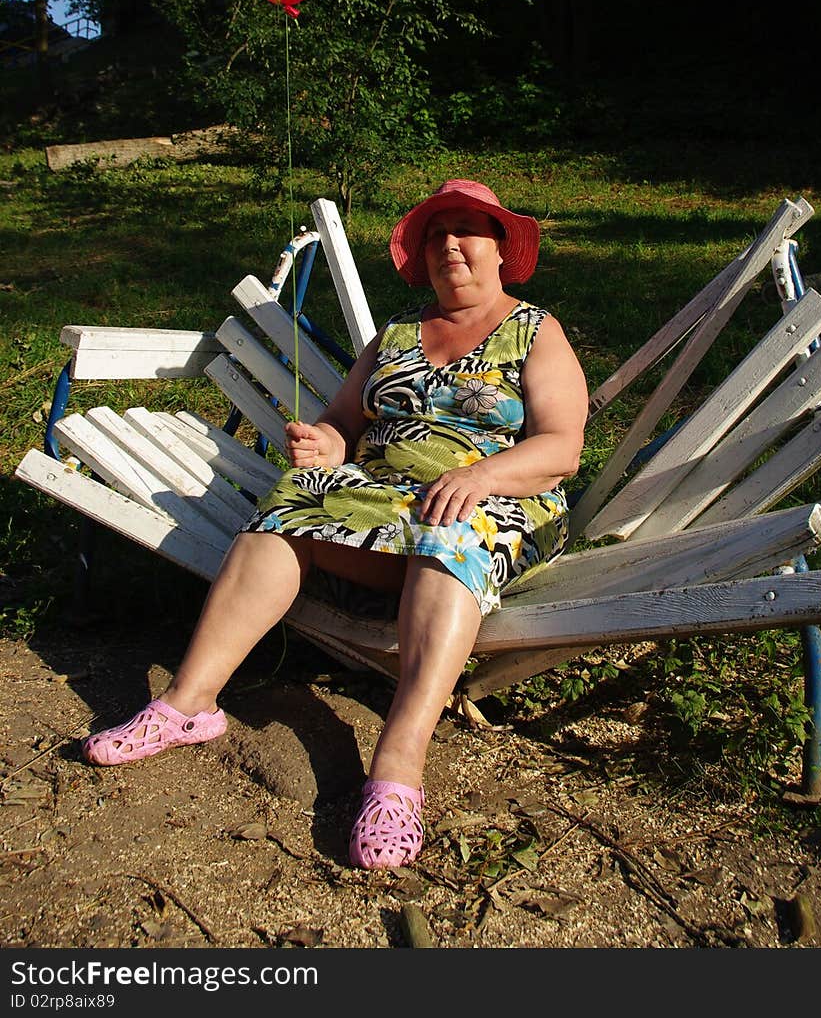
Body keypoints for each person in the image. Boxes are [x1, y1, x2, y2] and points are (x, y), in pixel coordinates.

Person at [81, 179, 590, 869]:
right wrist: (324, 446)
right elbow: (342, 424)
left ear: (501, 248)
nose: (449, 244)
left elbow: (561, 447)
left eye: (468, 229)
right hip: (384, 504)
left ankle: (398, 766)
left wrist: (478, 476)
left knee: (449, 532)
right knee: (291, 504)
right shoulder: (396, 336)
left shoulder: (536, 331)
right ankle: (187, 704)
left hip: (497, 499)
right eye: (436, 234)